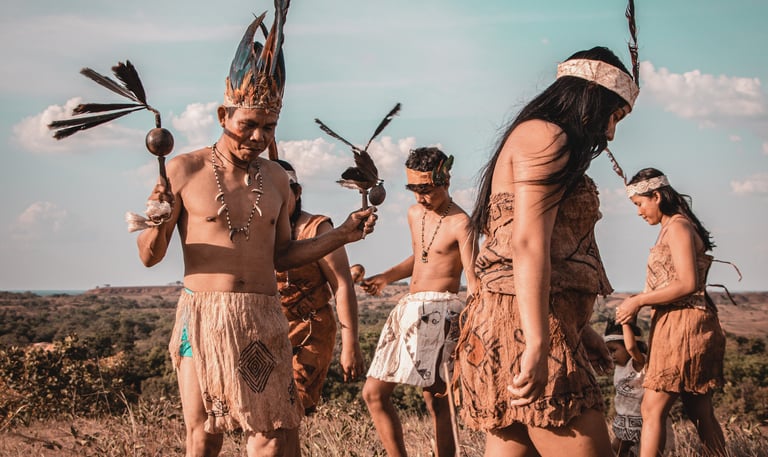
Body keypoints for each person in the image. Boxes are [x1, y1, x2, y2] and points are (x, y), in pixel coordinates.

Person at [133, 7, 376, 457]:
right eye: (248, 124)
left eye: (269, 127)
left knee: (270, 433)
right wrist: (158, 217)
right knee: (204, 436)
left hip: (264, 317)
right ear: (223, 114)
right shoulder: (184, 170)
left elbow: (281, 256)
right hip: (203, 316)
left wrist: (342, 234)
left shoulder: (278, 179)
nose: (259, 136)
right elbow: (149, 256)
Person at [453, 44, 639, 456]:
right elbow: (526, 244)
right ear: (590, 97)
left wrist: (580, 328)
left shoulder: (540, 136)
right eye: (613, 115)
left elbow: (546, 246)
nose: (610, 132)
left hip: (521, 321)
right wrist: (539, 344)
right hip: (525, 328)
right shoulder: (547, 137)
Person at [360, 147, 478, 457]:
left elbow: (474, 279)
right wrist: (386, 277)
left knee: (436, 399)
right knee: (373, 393)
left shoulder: (461, 223)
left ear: (445, 181)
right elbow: (422, 257)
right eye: (414, 189)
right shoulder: (414, 214)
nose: (420, 197)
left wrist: (473, 326)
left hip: (443, 311)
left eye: (426, 189)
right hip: (409, 308)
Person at [615, 168, 726, 457]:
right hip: (681, 324)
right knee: (699, 410)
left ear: (656, 196)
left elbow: (687, 283)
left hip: (684, 326)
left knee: (651, 409)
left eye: (640, 204)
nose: (639, 212)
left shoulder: (678, 227)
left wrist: (639, 301)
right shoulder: (673, 226)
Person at [273, 159, 366, 415]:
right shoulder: (258, 230)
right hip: (268, 328)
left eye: (283, 194)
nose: (277, 202)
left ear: (297, 192)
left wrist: (350, 344)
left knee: (294, 408)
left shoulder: (317, 228)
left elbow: (342, 284)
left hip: (310, 330)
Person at [604, 321, 647, 457]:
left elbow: (632, 347)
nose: (611, 356)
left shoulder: (637, 363)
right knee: (622, 451)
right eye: (608, 352)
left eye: (614, 350)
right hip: (625, 419)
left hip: (639, 419)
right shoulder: (619, 366)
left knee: (618, 448)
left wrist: (625, 321)